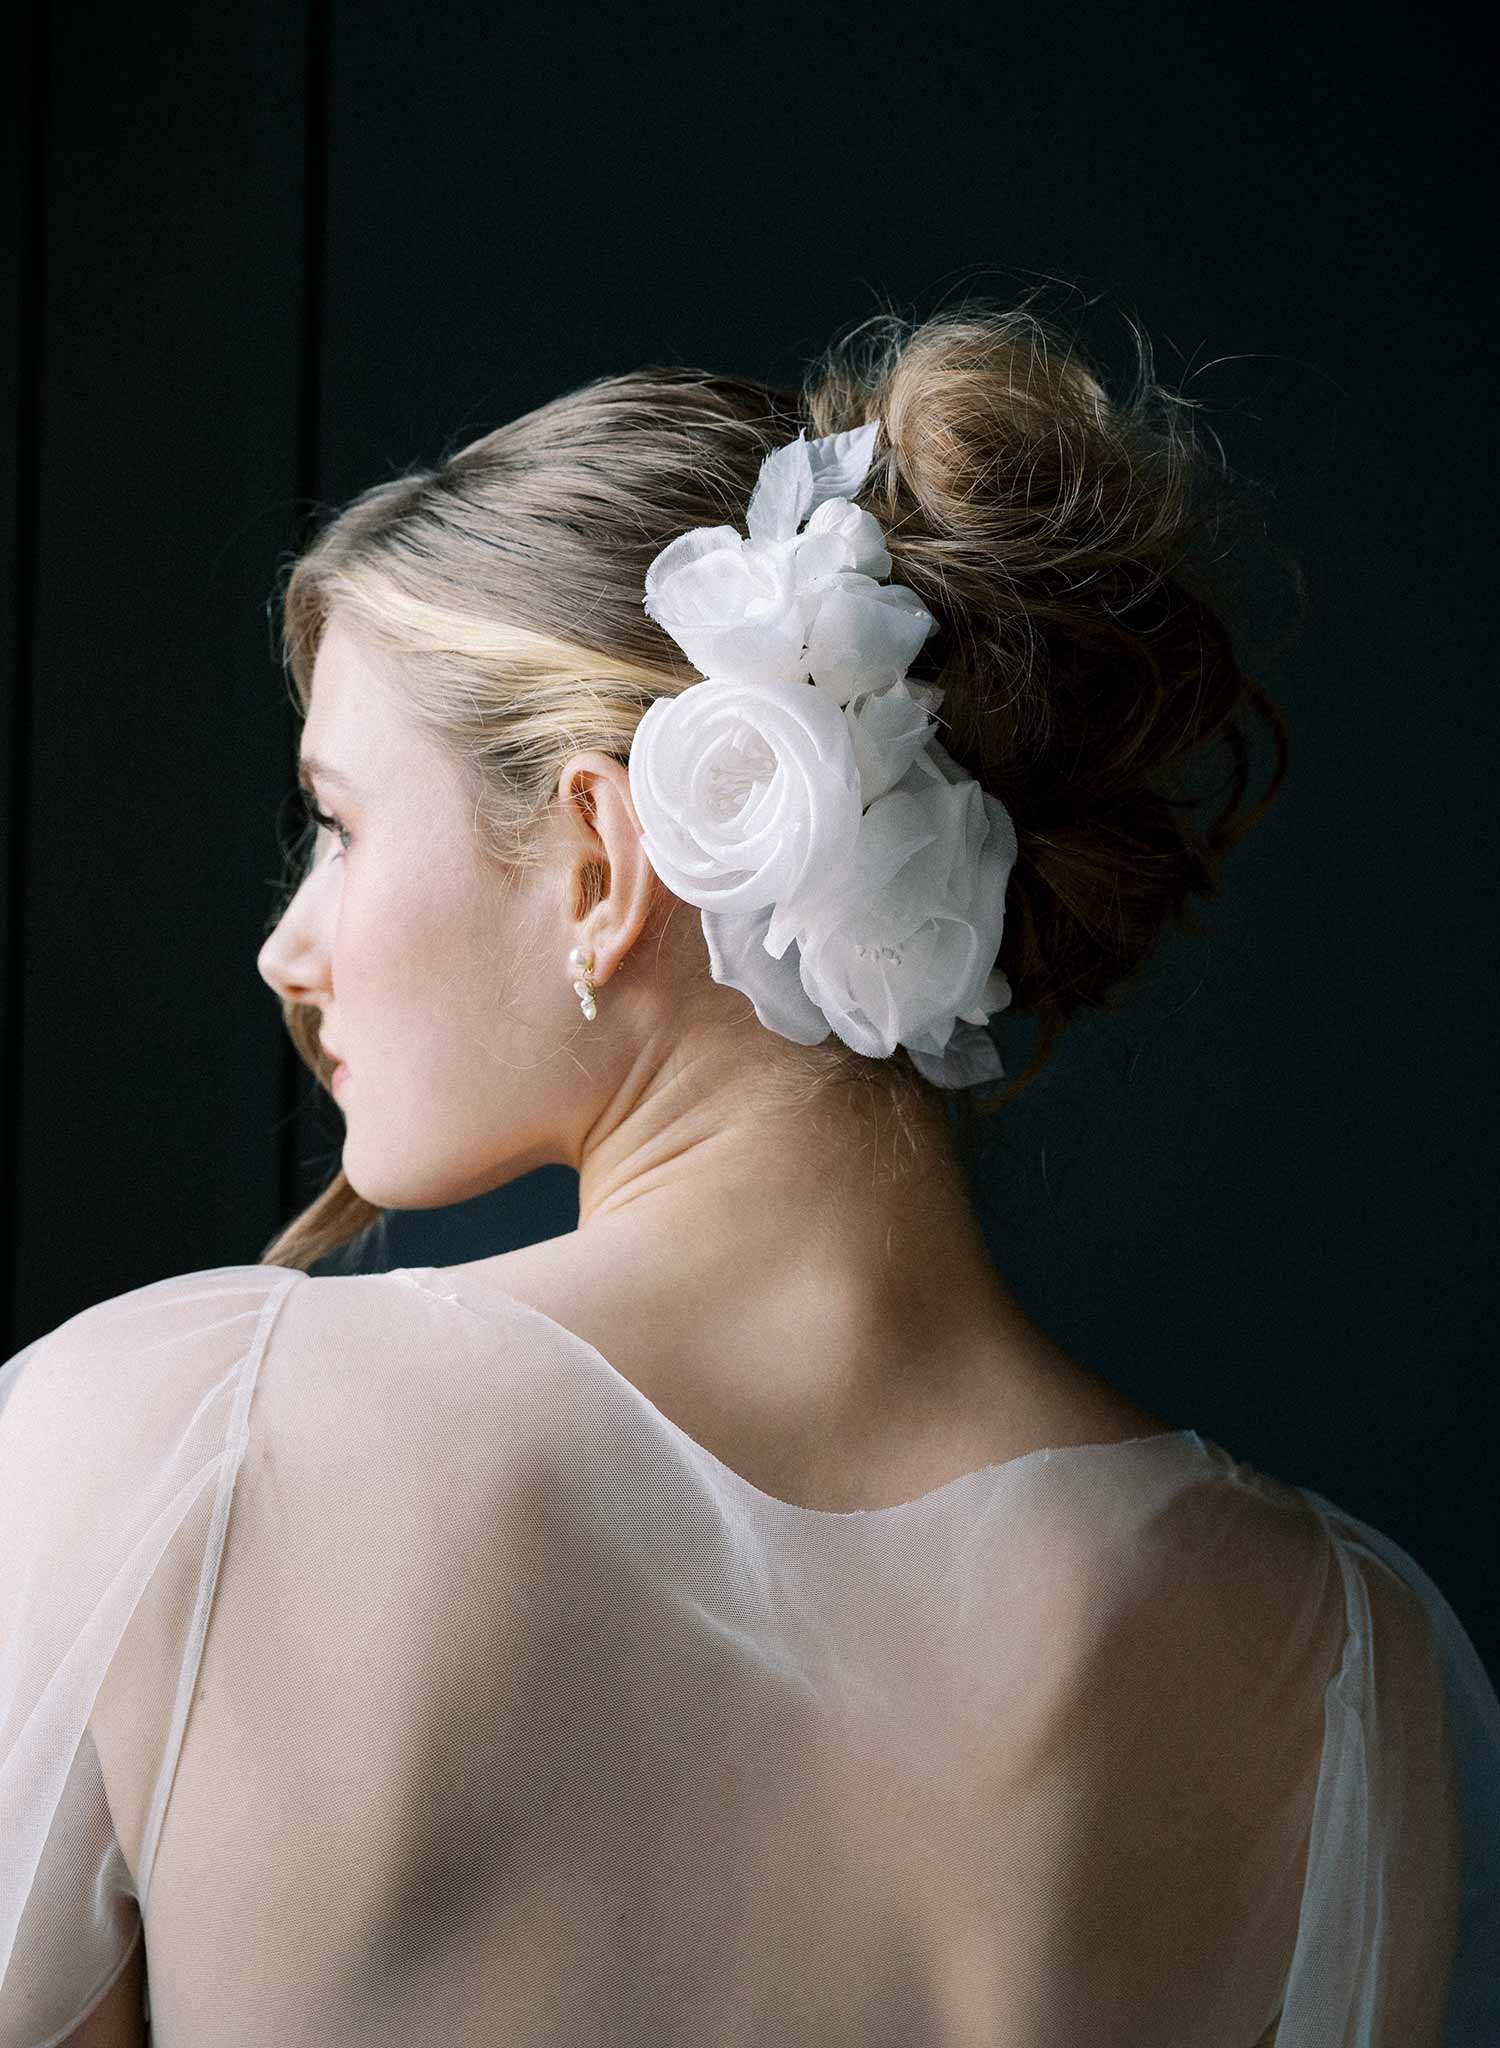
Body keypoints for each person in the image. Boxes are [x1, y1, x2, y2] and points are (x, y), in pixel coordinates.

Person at [1, 300, 1495, 2046]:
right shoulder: (1336, 1661)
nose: (289, 948)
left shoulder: (186, 1443)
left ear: (596, 859)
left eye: (337, 824)